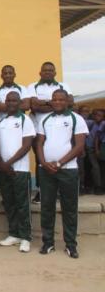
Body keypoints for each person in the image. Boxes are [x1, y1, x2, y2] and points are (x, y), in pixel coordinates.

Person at [36, 89, 88, 259]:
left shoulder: (76, 119)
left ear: (67, 102)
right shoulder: (45, 119)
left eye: (61, 99)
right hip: (46, 171)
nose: (57, 102)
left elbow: (79, 146)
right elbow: (39, 143)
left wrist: (59, 163)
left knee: (70, 208)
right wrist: (43, 163)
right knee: (47, 206)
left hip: (68, 170)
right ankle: (48, 242)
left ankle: (71, 245)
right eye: (55, 99)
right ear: (51, 101)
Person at [28, 62, 73, 203]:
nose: (48, 72)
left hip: (61, 128)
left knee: (62, 155)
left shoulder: (63, 86)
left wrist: (45, 103)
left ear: (55, 73)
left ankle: (60, 190)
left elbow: (70, 102)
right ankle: (41, 192)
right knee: (40, 159)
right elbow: (34, 106)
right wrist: (55, 105)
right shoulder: (32, 86)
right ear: (40, 72)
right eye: (45, 70)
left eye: (50, 70)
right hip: (39, 129)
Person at [0, 92, 36, 253]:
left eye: (14, 100)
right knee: (9, 202)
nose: (11, 103)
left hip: (19, 169)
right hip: (4, 169)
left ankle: (26, 237)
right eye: (8, 101)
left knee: (22, 204)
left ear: (19, 102)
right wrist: (1, 163)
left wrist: (9, 163)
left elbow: (27, 145)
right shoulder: (1, 121)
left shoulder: (25, 120)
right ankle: (14, 234)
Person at [87, 109, 104, 194]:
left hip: (98, 148)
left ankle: (99, 186)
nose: (97, 117)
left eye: (100, 115)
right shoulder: (91, 123)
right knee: (95, 167)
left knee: (99, 168)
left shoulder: (102, 124)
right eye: (96, 115)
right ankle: (98, 186)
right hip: (90, 148)